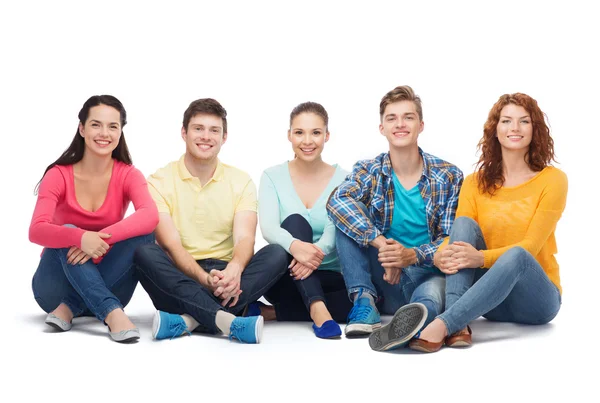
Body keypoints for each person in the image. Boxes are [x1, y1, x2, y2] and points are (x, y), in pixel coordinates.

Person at [411, 93, 567, 353]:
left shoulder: (553, 180)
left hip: (538, 300)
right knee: (463, 224)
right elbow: (457, 239)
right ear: (495, 130)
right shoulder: (474, 182)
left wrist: (480, 258)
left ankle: (445, 323)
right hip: (491, 302)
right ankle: (458, 323)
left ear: (535, 129)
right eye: (506, 121)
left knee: (517, 253)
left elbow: (530, 247)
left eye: (524, 121)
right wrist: (440, 255)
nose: (514, 128)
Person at [133, 98, 289, 344]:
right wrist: (204, 280)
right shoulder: (158, 181)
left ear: (224, 137)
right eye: (198, 128)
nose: (206, 136)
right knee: (144, 253)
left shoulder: (240, 181)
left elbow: (245, 238)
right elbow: (171, 246)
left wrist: (234, 270)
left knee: (277, 253)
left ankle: (187, 321)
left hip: (227, 278)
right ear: (184, 133)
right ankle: (228, 321)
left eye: (214, 130)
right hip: (179, 276)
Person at [327, 85, 463, 351]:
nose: (400, 124)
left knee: (433, 295)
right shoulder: (369, 169)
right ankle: (364, 303)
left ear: (421, 125)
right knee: (347, 213)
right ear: (382, 128)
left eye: (408, 117)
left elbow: (450, 238)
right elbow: (337, 201)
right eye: (392, 118)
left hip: (426, 274)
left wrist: (410, 256)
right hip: (381, 278)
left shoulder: (449, 176)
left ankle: (413, 320)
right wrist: (385, 248)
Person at [29, 95, 159, 343]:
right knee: (66, 230)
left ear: (121, 132)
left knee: (145, 234)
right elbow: (36, 230)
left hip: (110, 281)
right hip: (53, 289)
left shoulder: (129, 174)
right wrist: (79, 237)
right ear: (82, 128)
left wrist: (100, 241)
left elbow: (150, 216)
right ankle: (111, 313)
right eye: (96, 124)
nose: (104, 133)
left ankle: (71, 307)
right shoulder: (58, 174)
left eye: (113, 126)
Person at [256, 102, 352, 339]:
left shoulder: (345, 179)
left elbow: (335, 227)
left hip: (332, 277)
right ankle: (319, 310)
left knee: (361, 302)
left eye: (315, 133)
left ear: (327, 136)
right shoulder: (271, 176)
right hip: (286, 277)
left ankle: (273, 313)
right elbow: (268, 227)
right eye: (299, 132)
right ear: (289, 135)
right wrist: (297, 248)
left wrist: (312, 256)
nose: (307, 141)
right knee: (296, 222)